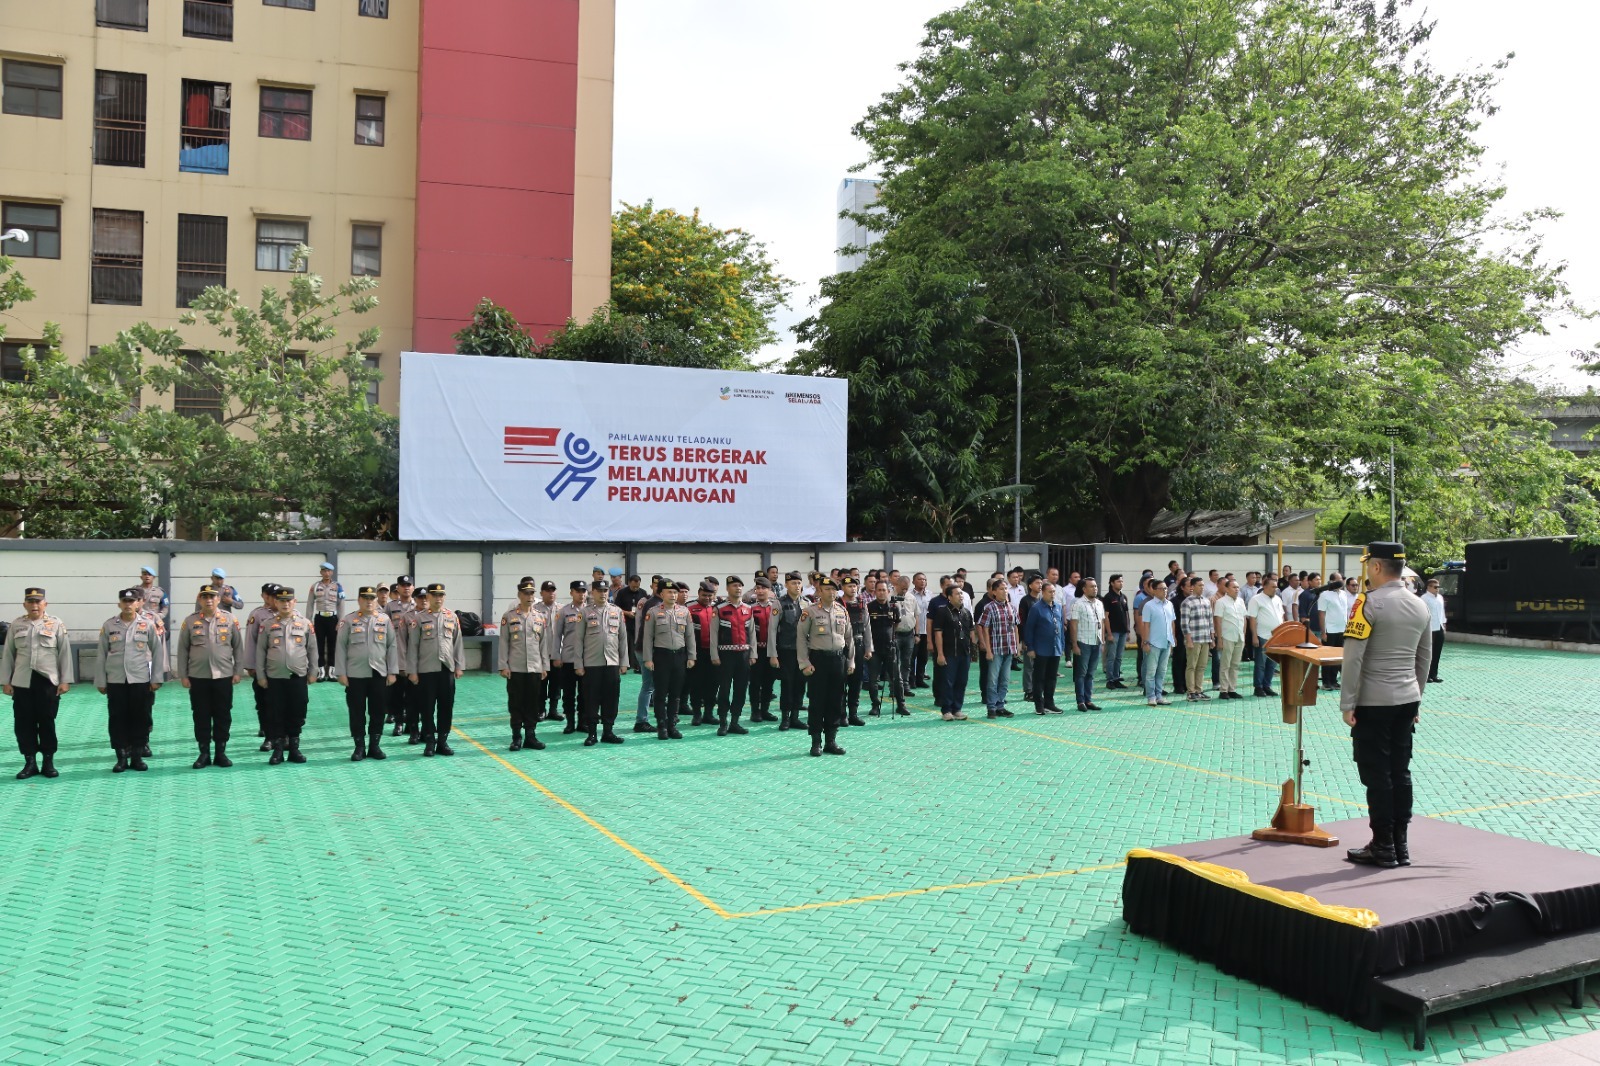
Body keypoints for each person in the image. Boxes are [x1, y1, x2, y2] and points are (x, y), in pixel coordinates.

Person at [1342, 542, 1433, 869]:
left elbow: (1353, 657)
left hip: (1374, 700)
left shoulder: (1367, 602)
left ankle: (1382, 846)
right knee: (1400, 771)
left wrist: (1347, 702)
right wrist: (1417, 696)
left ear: (1377, 567)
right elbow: (1424, 658)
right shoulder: (1420, 605)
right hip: (1407, 699)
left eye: (1368, 565)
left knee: (1377, 774)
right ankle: (1399, 844)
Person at [95, 587, 166, 774]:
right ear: (119, 604)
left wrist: (156, 678)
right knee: (117, 718)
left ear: (138, 603)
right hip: (116, 680)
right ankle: (121, 757)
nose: (128, 605)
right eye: (124, 601)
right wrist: (101, 680)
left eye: (132, 601)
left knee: (140, 717)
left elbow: (158, 652)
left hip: (140, 678)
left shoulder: (147, 624)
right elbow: (101, 653)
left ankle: (137, 756)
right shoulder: (109, 625)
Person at [174, 583, 243, 769]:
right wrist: (183, 675)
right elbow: (182, 650)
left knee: (223, 714)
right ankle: (204, 753)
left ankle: (221, 752)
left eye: (212, 596)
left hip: (224, 675)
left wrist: (238, 671)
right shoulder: (190, 621)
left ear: (218, 599)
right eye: (205, 597)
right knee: (201, 715)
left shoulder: (230, 619)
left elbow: (238, 647)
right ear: (199, 599)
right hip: (198, 676)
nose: (209, 600)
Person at [334, 586, 397, 762]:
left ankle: (375, 746)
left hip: (378, 673)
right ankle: (359, 747)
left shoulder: (384, 620)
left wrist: (393, 671)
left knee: (378, 711)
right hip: (355, 674)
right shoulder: (348, 621)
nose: (369, 601)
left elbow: (392, 646)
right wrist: (341, 672)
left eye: (372, 598)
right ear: (359, 600)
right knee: (357, 712)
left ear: (376, 600)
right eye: (365, 598)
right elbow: (340, 647)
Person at [256, 586, 318, 765]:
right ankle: (277, 750)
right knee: (276, 713)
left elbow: (312, 649)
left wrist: (313, 671)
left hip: (297, 676)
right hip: (275, 677)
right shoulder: (267, 624)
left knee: (297, 712)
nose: (285, 604)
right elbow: (260, 651)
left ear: (294, 602)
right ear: (276, 602)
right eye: (281, 601)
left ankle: (294, 748)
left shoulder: (305, 623)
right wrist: (260, 674)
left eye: (288, 600)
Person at [405, 582, 465, 758]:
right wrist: (412, 671)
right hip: (426, 670)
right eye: (434, 595)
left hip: (446, 670)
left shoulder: (452, 617)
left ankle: (442, 741)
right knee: (427, 707)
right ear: (428, 597)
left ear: (444, 597)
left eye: (441, 595)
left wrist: (459, 665)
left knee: (446, 707)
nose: (438, 598)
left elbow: (457, 643)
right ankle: (430, 741)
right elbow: (413, 647)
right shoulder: (419, 618)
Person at [797, 577, 854, 756]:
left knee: (836, 702)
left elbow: (849, 638)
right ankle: (816, 742)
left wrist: (851, 661)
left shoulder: (842, 611)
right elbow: (800, 638)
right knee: (817, 701)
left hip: (838, 660)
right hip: (818, 661)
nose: (831, 592)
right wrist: (804, 663)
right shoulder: (810, 611)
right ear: (819, 592)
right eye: (827, 589)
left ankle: (831, 740)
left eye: (833, 590)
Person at [498, 578, 552, 751]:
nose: (529, 596)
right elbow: (504, 643)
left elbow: (543, 644)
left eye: (531, 593)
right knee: (515, 703)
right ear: (519, 595)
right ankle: (516, 737)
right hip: (516, 668)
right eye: (526, 593)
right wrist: (503, 665)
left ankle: (530, 735)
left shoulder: (540, 618)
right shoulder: (509, 617)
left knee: (532, 703)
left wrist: (545, 666)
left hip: (535, 667)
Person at [576, 580, 630, 746]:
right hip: (592, 663)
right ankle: (592, 733)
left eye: (605, 590)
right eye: (599, 590)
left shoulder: (617, 611)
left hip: (612, 662)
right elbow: (578, 640)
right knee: (591, 699)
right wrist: (578, 664)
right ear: (593, 592)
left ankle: (608, 731)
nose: (603, 593)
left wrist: (624, 662)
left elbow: (622, 638)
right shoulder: (584, 613)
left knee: (611, 698)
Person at [641, 580, 696, 740]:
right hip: (661, 656)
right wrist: (648, 659)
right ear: (662, 594)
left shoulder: (684, 611)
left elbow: (690, 636)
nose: (672, 595)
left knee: (675, 694)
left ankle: (672, 725)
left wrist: (692, 656)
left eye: (674, 592)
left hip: (679, 656)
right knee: (660, 693)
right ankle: (662, 726)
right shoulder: (653, 611)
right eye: (669, 592)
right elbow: (647, 637)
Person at [711, 576, 756, 736]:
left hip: (743, 655)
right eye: (734, 586)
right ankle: (723, 722)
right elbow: (714, 633)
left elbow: (751, 633)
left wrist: (753, 653)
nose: (738, 588)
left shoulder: (748, 609)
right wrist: (714, 654)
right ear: (728, 588)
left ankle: (735, 722)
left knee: (741, 689)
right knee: (724, 689)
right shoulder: (719, 609)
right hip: (725, 654)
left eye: (740, 586)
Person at [242, 582, 283, 750]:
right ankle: (268, 735)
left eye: (276, 596)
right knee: (264, 702)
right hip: (263, 667)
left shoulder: (288, 613)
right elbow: (251, 641)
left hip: (283, 667)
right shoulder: (258, 615)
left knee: (284, 703)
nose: (273, 599)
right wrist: (251, 666)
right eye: (270, 595)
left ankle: (284, 736)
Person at [975, 578, 1018, 719]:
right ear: (993, 592)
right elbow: (984, 628)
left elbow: (1015, 627)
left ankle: (1001, 705)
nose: (1004, 591)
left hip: (1009, 648)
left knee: (1005, 680)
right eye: (1001, 589)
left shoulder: (1012, 607)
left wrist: (1017, 646)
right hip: (996, 649)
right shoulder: (989, 607)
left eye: (1006, 588)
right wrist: (988, 649)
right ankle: (991, 707)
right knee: (993, 680)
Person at [865, 580, 908, 717]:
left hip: (890, 648)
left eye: (884, 590)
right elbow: (866, 627)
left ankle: (901, 705)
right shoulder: (869, 607)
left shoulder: (893, 607)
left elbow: (896, 624)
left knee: (897, 679)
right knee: (873, 680)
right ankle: (875, 705)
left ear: (888, 592)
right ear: (875, 591)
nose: (882, 592)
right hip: (874, 649)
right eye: (879, 590)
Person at [932, 584, 974, 721]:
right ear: (949, 597)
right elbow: (938, 633)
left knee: (961, 681)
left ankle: (957, 709)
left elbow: (971, 633)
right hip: (949, 653)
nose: (961, 596)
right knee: (948, 682)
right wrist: (940, 653)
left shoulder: (966, 612)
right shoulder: (942, 612)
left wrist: (974, 650)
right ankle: (946, 710)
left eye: (961, 593)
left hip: (964, 653)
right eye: (957, 594)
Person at [1022, 581, 1065, 714]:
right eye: (1049, 592)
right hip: (1041, 649)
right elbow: (1029, 629)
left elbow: (1061, 628)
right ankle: (1039, 705)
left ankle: (1049, 703)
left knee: (1052, 677)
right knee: (1039, 677)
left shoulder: (1057, 607)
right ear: (1043, 593)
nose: (1052, 594)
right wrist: (1030, 647)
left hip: (1055, 648)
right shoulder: (1036, 608)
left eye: (1054, 592)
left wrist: (1062, 645)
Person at [552, 580, 587, 733]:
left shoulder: (591, 611)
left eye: (583, 591)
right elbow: (557, 636)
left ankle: (583, 722)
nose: (581, 594)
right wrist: (556, 656)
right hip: (568, 658)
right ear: (571, 592)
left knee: (586, 694)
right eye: (578, 591)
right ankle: (570, 722)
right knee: (568, 693)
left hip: (587, 660)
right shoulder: (564, 611)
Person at [628, 577, 663, 732]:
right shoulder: (655, 604)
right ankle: (641, 720)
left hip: (644, 649)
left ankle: (645, 719)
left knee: (650, 686)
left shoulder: (652, 602)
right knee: (648, 686)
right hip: (647, 650)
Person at [774, 571, 807, 731]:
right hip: (786, 650)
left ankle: (795, 717)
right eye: (793, 583)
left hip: (803, 652)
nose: (797, 586)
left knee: (801, 684)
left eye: (799, 583)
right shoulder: (779, 604)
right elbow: (772, 631)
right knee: (787, 684)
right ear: (786, 585)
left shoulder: (807, 603)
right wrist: (772, 654)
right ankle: (785, 718)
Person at [839, 576, 873, 726]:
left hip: (858, 645)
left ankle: (853, 713)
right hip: (842, 646)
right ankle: (841, 715)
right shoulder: (838, 604)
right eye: (849, 586)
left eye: (854, 586)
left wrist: (868, 647)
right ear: (843, 588)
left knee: (856, 682)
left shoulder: (861, 604)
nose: (852, 589)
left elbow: (867, 627)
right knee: (841, 682)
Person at [1070, 577, 1107, 712]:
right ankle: (1080, 701)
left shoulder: (1099, 603)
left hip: (1096, 642)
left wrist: (1102, 640)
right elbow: (1073, 625)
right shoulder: (1077, 604)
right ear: (1084, 589)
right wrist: (1074, 644)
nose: (1095, 589)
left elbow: (1102, 623)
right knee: (1081, 673)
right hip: (1083, 642)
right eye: (1091, 586)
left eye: (1096, 586)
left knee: (1091, 673)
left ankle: (1088, 699)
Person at [747, 577, 782, 723]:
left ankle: (765, 710)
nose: (760, 591)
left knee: (769, 681)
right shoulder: (750, 608)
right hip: (757, 651)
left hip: (772, 651)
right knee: (755, 682)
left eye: (763, 588)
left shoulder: (776, 607)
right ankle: (755, 711)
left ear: (770, 590)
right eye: (758, 588)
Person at [384, 576, 415, 736]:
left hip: (415, 653)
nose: (406, 588)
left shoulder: (419, 605)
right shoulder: (390, 607)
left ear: (413, 587)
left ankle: (411, 722)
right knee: (397, 690)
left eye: (409, 585)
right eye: (403, 585)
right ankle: (398, 722)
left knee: (413, 691)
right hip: (396, 653)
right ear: (398, 588)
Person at [685, 582, 720, 726]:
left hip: (714, 653)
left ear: (714, 596)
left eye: (710, 595)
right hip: (696, 652)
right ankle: (697, 714)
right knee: (696, 684)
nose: (707, 598)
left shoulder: (718, 609)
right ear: (698, 594)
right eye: (704, 595)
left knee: (713, 684)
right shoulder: (689, 608)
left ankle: (709, 714)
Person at [1247, 575, 1285, 697]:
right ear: (1264, 586)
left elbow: (1282, 617)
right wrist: (1254, 636)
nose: (1276, 589)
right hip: (1262, 635)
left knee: (1272, 664)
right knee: (1260, 663)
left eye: (1276, 587)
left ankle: (1267, 686)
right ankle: (1258, 687)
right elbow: (1252, 619)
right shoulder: (1256, 599)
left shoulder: (1278, 599)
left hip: (1276, 637)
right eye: (1273, 587)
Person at [1140, 577, 1175, 707]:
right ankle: (1151, 696)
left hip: (1166, 642)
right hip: (1153, 643)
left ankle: (1159, 696)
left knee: (1162, 671)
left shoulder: (1169, 604)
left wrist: (1173, 638)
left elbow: (1172, 623)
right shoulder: (1149, 606)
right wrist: (1145, 642)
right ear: (1154, 591)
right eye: (1161, 589)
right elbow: (1146, 626)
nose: (1165, 591)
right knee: (1151, 672)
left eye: (1166, 588)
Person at [1180, 576, 1214, 701]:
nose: (1202, 587)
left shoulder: (1206, 601)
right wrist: (1188, 639)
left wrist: (1212, 637)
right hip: (1194, 639)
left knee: (1202, 666)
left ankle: (1199, 690)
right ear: (1192, 587)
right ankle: (1191, 692)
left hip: (1205, 638)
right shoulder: (1187, 602)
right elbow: (1184, 623)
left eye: (1203, 585)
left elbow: (1210, 620)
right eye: (1200, 585)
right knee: (1191, 666)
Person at [309, 561, 345, 681]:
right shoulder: (315, 586)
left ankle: (332, 670)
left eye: (328, 571)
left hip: (332, 618)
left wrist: (341, 620)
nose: (326, 573)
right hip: (319, 618)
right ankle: (320, 670)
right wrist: (308, 621)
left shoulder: (338, 586)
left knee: (333, 644)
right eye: (324, 571)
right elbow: (310, 604)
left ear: (332, 572)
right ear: (321, 572)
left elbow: (341, 604)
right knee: (318, 644)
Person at [1213, 578, 1248, 699]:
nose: (1237, 589)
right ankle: (1223, 690)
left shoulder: (1241, 601)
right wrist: (1219, 639)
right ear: (1227, 589)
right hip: (1227, 636)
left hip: (1239, 636)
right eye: (1234, 587)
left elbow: (1244, 618)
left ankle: (1232, 689)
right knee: (1225, 664)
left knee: (1235, 664)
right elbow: (1218, 621)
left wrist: (1243, 633)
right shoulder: (1221, 602)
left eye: (1238, 587)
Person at [1315, 572, 1350, 690]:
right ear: (1332, 582)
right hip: (1330, 630)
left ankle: (1334, 680)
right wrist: (1323, 632)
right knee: (1327, 658)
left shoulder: (1344, 594)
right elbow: (1321, 614)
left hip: (1342, 629)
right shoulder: (1325, 595)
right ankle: (1326, 682)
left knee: (1338, 657)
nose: (1342, 582)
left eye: (1342, 579)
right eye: (1339, 580)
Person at [1102, 574, 1130, 690]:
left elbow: (1127, 614)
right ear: (1112, 583)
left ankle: (1116, 678)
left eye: (1122, 581)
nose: (1121, 583)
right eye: (1118, 581)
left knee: (1119, 657)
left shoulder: (1123, 597)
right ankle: (1110, 680)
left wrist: (1128, 630)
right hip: (1113, 632)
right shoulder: (1108, 597)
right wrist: (1108, 633)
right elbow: (1106, 617)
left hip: (1123, 631)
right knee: (1111, 657)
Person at [1422, 577, 1447, 683]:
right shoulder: (1424, 598)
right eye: (1435, 587)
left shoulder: (1440, 597)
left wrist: (1444, 625)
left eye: (1438, 587)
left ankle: (1434, 674)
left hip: (1439, 626)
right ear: (1429, 587)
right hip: (1429, 628)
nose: (1437, 589)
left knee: (1437, 652)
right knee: (1428, 653)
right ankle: (1426, 675)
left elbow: (1442, 612)